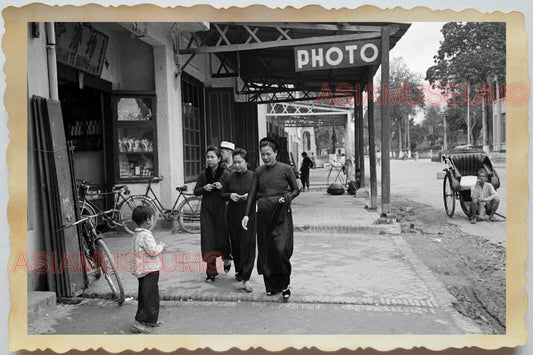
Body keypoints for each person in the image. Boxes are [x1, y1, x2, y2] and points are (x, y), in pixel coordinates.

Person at [242, 137, 300, 301]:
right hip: (263, 215)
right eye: (263, 154)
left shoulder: (286, 169)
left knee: (280, 251)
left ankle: (285, 285)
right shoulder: (259, 172)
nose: (265, 157)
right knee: (266, 252)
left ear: (276, 153)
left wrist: (287, 198)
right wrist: (246, 214)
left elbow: (296, 190)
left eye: (268, 154)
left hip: (281, 215)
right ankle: (271, 286)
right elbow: (252, 194)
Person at [194, 146, 232, 282]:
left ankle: (227, 258)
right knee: (208, 239)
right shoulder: (203, 174)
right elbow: (196, 191)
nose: (209, 160)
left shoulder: (226, 174)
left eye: (212, 157)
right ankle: (211, 272)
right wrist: (204, 188)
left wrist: (223, 187)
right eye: (208, 157)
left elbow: (231, 190)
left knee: (222, 238)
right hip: (207, 210)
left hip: (222, 209)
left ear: (219, 159)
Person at [221, 148, 256, 292]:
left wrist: (251, 196)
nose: (237, 165)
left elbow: (261, 193)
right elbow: (221, 194)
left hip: (249, 214)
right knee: (236, 244)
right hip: (233, 214)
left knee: (248, 245)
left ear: (247, 162)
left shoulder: (254, 177)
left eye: (240, 162)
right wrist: (230, 195)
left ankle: (246, 278)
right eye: (235, 162)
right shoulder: (229, 177)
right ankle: (239, 270)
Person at [131, 205, 166, 334]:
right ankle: (138, 323)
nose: (153, 220)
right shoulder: (146, 235)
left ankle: (150, 320)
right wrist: (161, 247)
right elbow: (152, 250)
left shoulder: (137, 234)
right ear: (148, 220)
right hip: (148, 270)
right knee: (148, 297)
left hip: (144, 270)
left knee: (149, 296)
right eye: (152, 218)